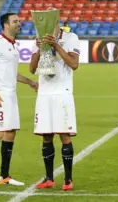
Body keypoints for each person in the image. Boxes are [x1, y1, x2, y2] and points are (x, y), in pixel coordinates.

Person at [0, 12, 38, 191]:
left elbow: (12, 73)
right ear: (6, 25)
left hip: (11, 96)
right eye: (15, 21)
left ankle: (4, 176)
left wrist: (30, 82)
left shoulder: (13, 46)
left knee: (11, 132)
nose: (18, 24)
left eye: (18, 21)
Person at [30, 14, 80, 191]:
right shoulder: (39, 39)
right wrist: (39, 49)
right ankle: (49, 178)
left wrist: (55, 45)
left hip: (62, 93)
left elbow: (74, 64)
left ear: (57, 20)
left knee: (64, 135)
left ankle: (68, 180)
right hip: (44, 93)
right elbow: (32, 68)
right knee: (46, 136)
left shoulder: (71, 38)